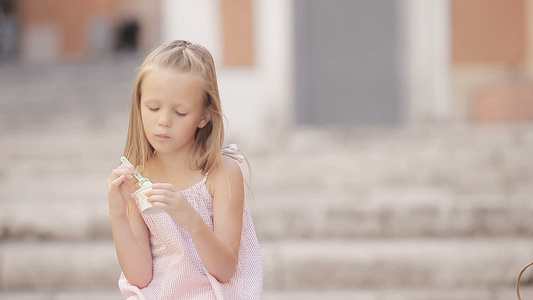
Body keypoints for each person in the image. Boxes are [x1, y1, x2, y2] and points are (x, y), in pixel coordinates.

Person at [107, 40, 263, 300]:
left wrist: (191, 220)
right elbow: (140, 276)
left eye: (180, 112)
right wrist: (118, 213)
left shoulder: (220, 173)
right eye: (153, 108)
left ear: (203, 117)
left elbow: (225, 269)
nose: (164, 121)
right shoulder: (137, 177)